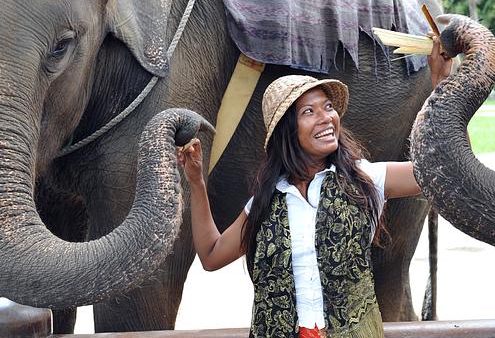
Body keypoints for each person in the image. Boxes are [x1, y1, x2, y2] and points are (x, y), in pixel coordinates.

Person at [178, 39, 453, 337]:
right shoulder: (266, 200)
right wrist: (196, 182)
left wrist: (441, 86)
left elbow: (440, 173)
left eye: (329, 107)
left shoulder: (365, 179)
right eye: (309, 111)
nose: (326, 118)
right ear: (287, 130)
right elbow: (211, 254)